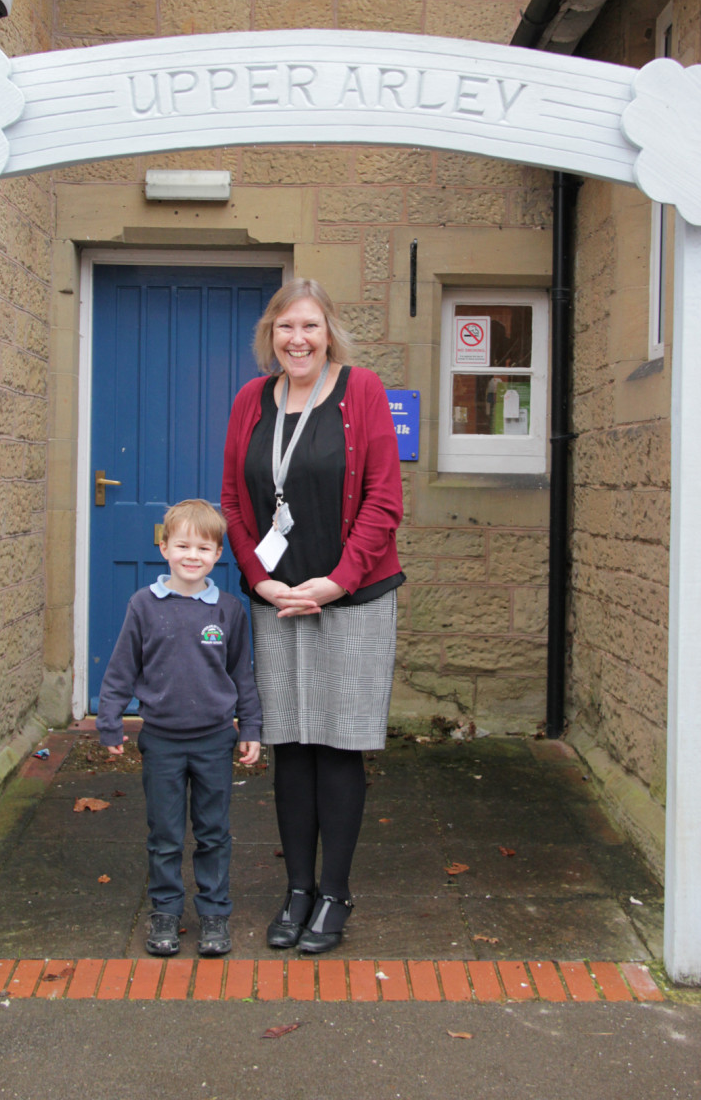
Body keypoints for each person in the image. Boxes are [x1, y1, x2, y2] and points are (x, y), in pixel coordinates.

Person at [221, 278, 404, 953]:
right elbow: (234, 504)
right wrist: (260, 580)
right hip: (276, 602)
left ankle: (334, 894)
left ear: (328, 334)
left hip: (351, 601)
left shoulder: (360, 392)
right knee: (291, 747)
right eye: (284, 328)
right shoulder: (250, 400)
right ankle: (296, 890)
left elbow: (384, 500)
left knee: (338, 746)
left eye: (309, 327)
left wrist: (334, 582)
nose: (297, 339)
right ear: (270, 337)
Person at [96, 498, 262, 958]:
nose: (193, 555)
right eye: (183, 545)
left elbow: (241, 675)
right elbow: (121, 669)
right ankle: (165, 911)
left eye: (204, 548)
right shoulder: (144, 606)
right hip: (163, 741)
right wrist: (110, 722)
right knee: (165, 834)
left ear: (217, 555)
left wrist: (251, 726)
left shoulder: (228, 611)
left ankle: (214, 914)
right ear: (164, 547)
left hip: (214, 741)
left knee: (213, 832)